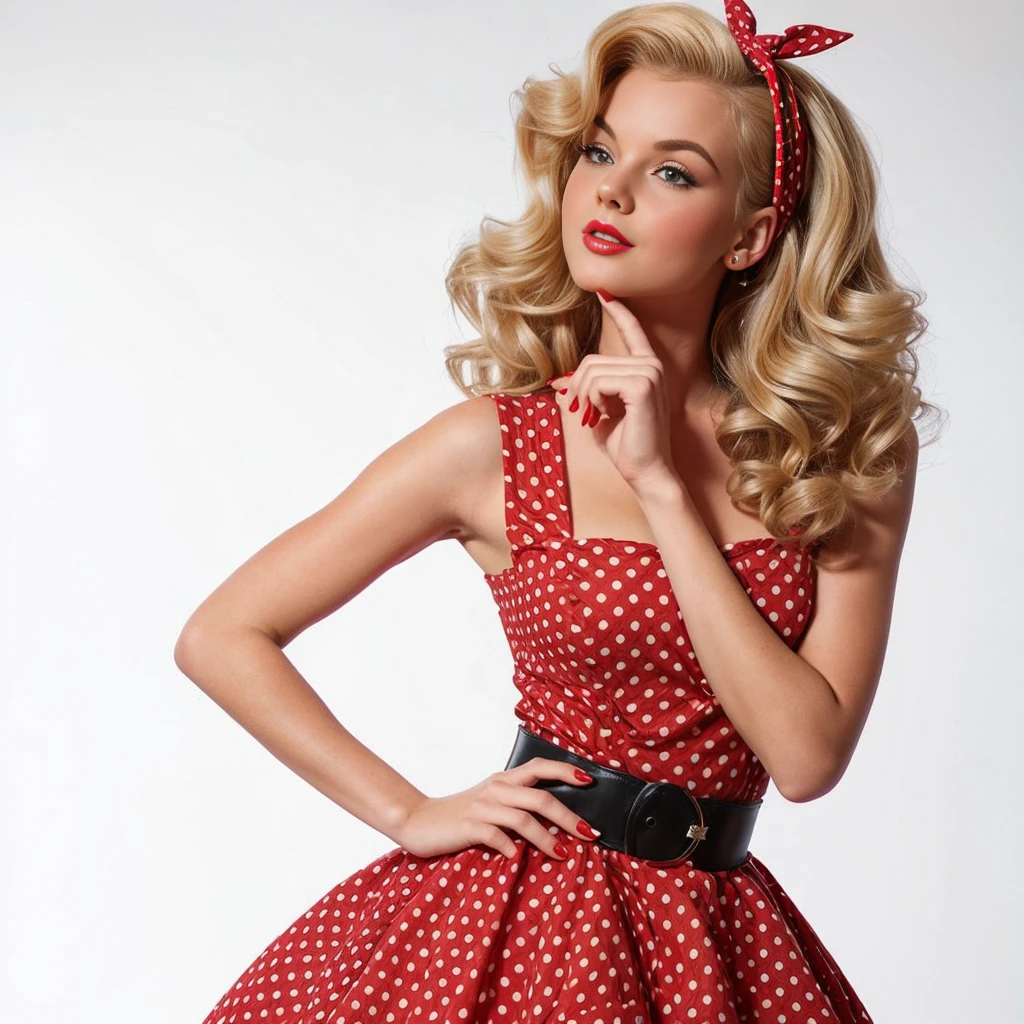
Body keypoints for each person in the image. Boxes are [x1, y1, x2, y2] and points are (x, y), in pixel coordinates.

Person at [177, 3, 942, 1021]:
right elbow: (223, 633)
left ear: (751, 233)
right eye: (598, 151)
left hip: (719, 947)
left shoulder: (839, 455)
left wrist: (662, 483)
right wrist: (407, 812)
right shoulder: (492, 445)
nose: (611, 189)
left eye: (673, 171)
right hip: (511, 920)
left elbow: (804, 758)